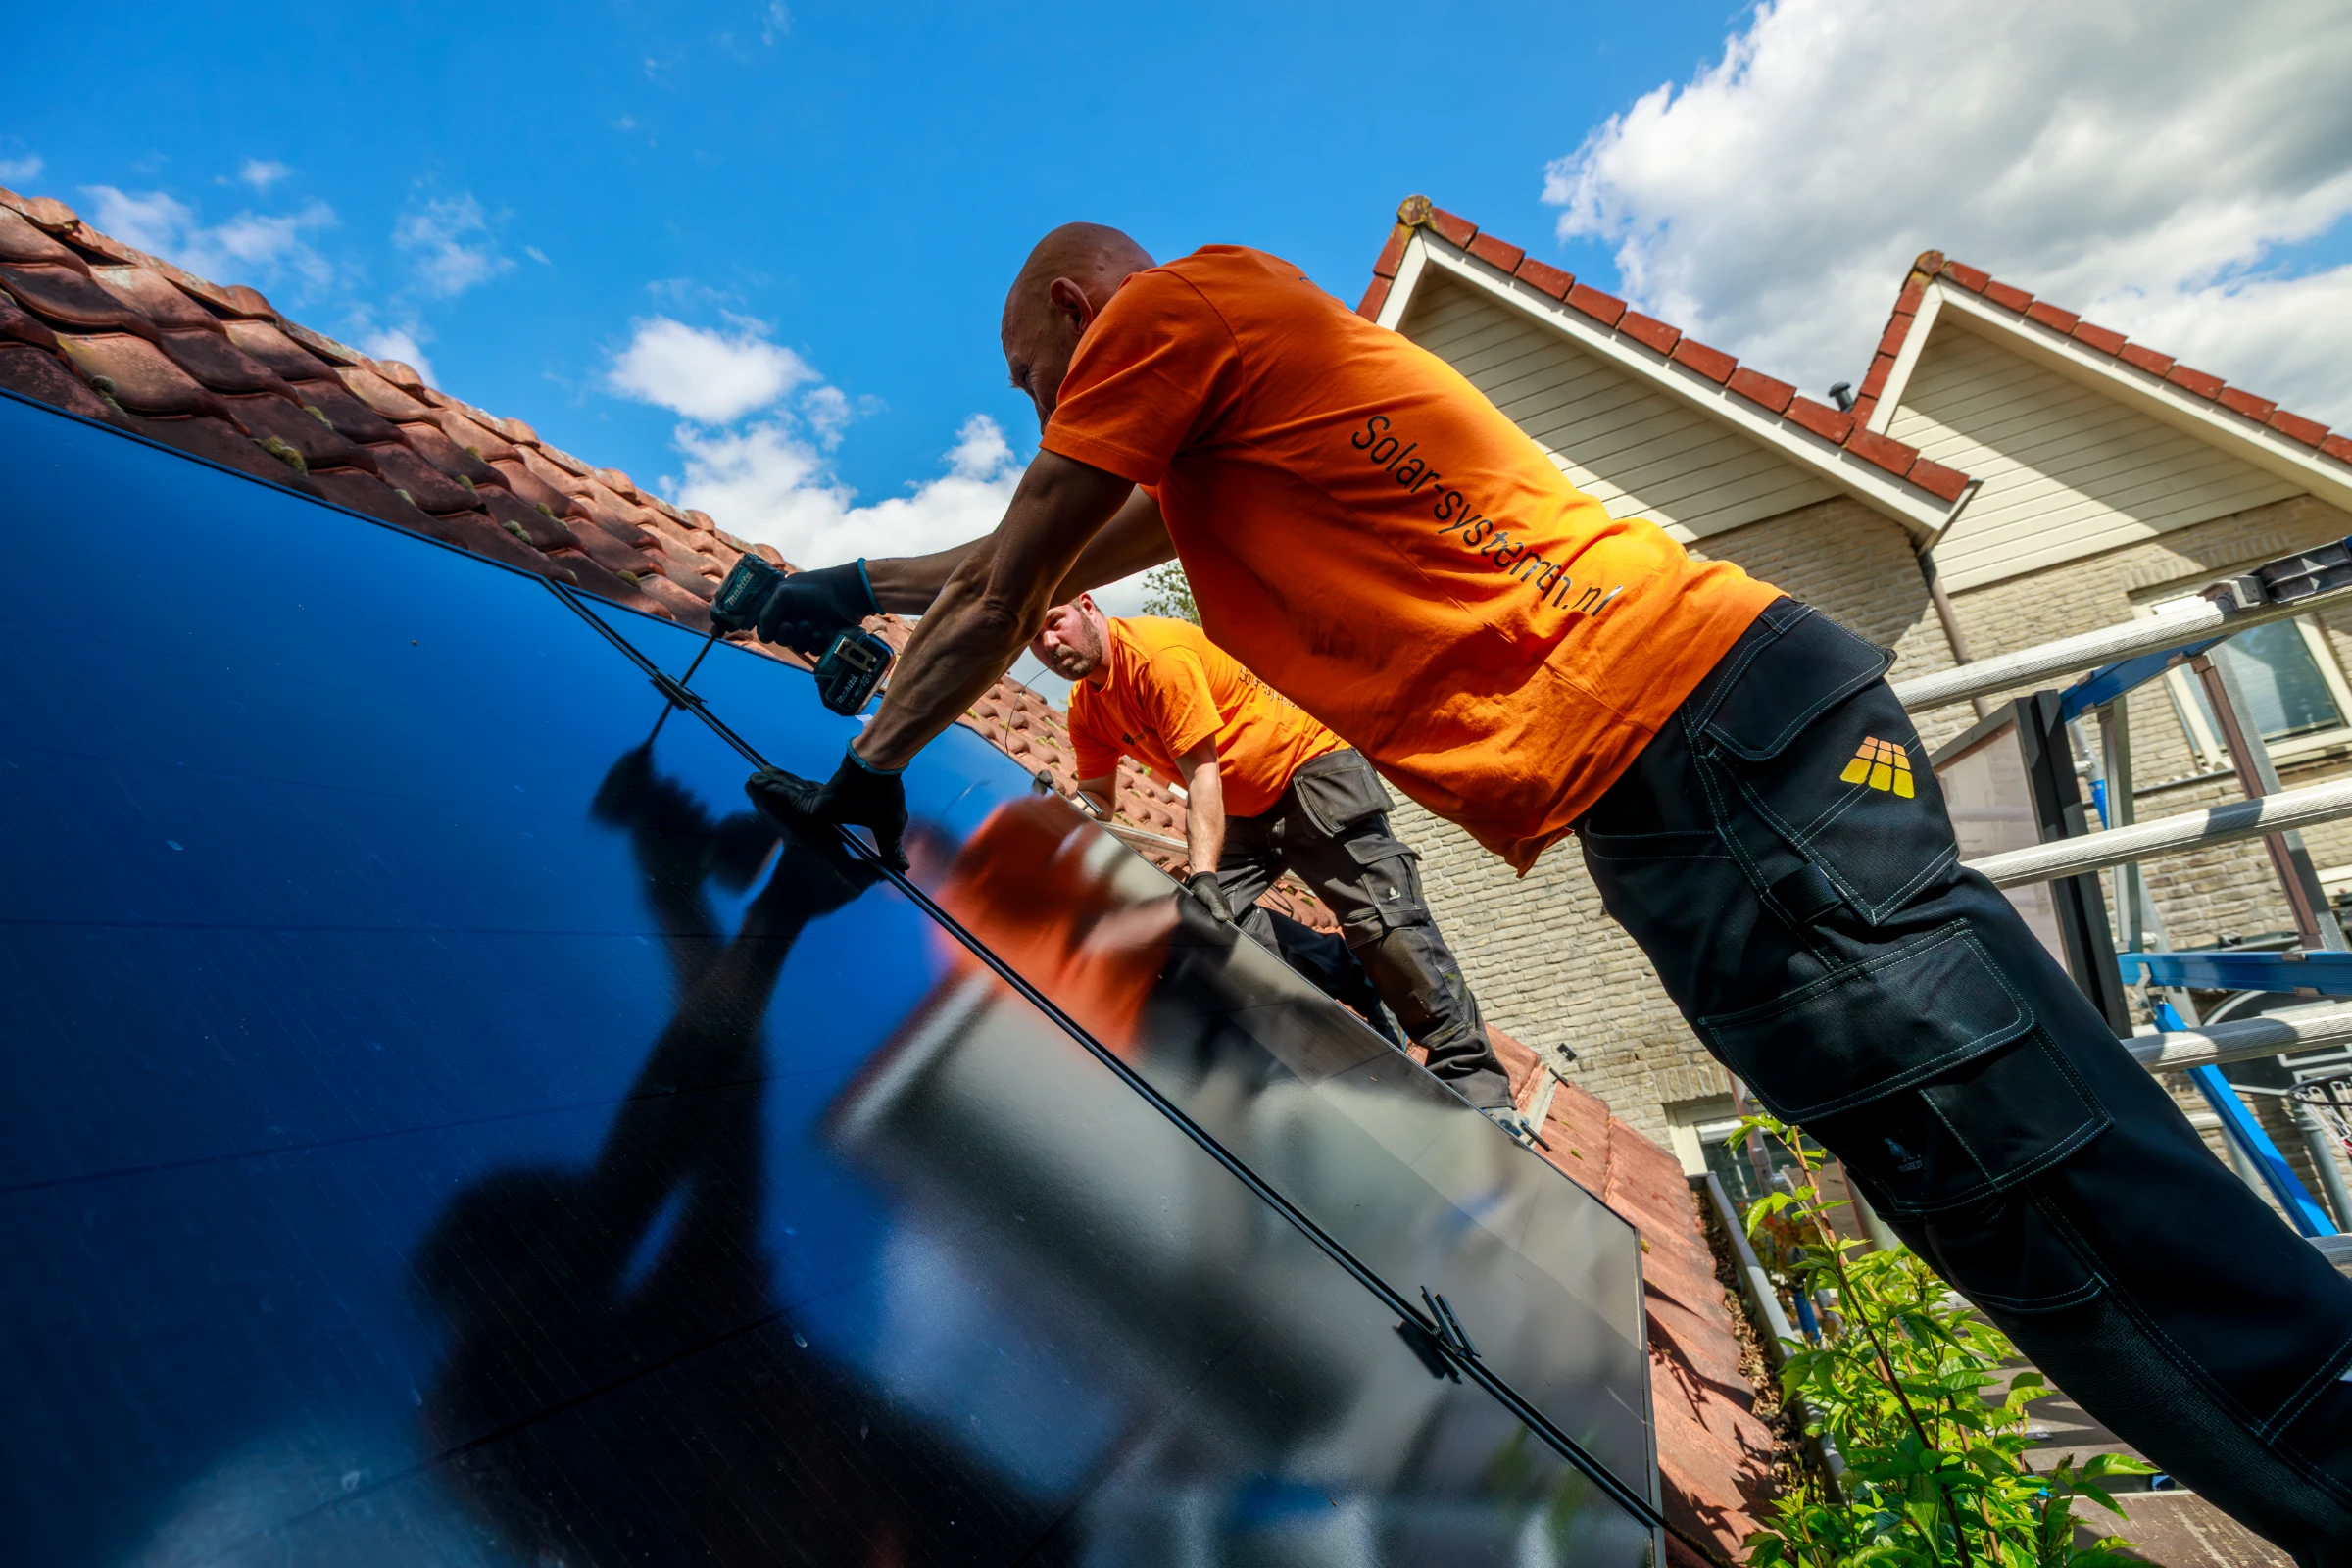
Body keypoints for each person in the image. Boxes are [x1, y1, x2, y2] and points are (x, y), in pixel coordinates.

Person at [744, 224, 2352, 1559]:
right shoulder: (1223, 389)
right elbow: (1026, 557)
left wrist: (860, 790)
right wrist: (845, 588)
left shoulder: (1165, 313)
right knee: (1995, 1181)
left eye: (1042, 386)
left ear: (1081, 314)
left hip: (1709, 770)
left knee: (2036, 1188)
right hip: (1717, 764)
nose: (1047, 422)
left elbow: (1014, 572)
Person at [1032, 591, 1520, 1125]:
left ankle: (1478, 1087)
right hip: (1244, 809)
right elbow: (1098, 798)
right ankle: (1343, 969)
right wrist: (1052, 808)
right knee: (1201, 923)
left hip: (1309, 769)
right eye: (1034, 639)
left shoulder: (1155, 658)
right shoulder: (1088, 709)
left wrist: (1204, 871)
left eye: (1054, 624)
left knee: (1386, 923)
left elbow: (1201, 774)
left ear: (1087, 606)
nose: (1049, 644)